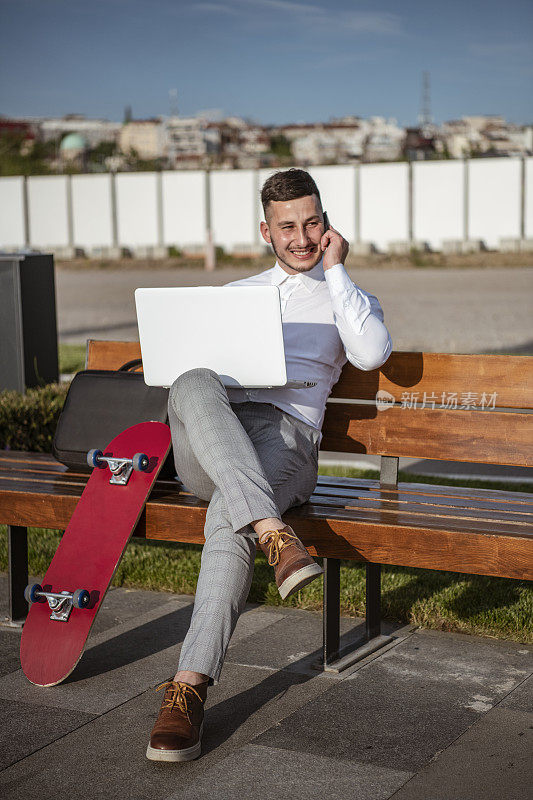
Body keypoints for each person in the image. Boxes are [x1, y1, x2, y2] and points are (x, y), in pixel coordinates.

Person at [146, 168, 392, 762]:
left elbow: (371, 352)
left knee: (228, 516)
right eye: (288, 227)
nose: (302, 238)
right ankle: (274, 534)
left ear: (327, 225)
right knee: (193, 379)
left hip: (287, 440)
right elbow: (186, 379)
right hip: (218, 437)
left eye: (312, 223)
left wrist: (337, 271)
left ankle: (189, 689)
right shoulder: (233, 296)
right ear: (266, 230)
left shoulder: (347, 297)